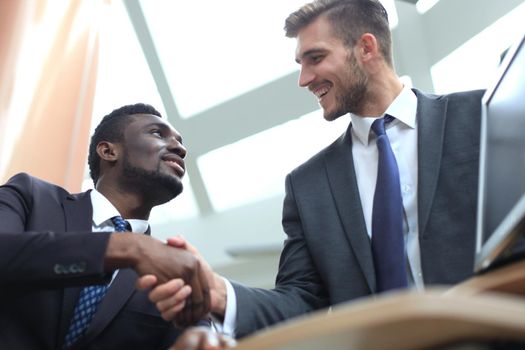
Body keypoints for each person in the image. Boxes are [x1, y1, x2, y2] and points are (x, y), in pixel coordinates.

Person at [145, 0, 484, 339]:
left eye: (316, 58)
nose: (304, 79)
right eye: (300, 63)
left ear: (366, 47)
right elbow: (299, 301)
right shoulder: (307, 187)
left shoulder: (480, 115)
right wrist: (219, 293)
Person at [0, 103, 210, 349]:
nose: (180, 148)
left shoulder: (173, 273)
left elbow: (197, 335)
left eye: (180, 141)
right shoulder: (30, 195)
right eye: (157, 133)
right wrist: (126, 248)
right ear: (109, 151)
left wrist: (208, 337)